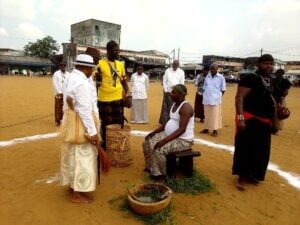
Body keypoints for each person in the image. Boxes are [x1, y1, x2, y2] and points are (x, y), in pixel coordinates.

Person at [60, 54, 100, 203]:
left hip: (70, 122)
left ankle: (72, 187)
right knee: (82, 159)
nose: (92, 72)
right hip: (81, 124)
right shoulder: (82, 83)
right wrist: (93, 132)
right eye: (91, 69)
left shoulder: (70, 77)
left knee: (72, 156)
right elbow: (84, 110)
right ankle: (77, 193)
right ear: (86, 68)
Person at [232, 54, 276, 191]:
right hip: (249, 119)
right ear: (259, 64)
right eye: (266, 63)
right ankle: (242, 177)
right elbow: (239, 98)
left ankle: (254, 175)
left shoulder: (270, 81)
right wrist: (240, 119)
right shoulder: (250, 78)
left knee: (262, 150)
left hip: (265, 122)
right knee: (246, 148)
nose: (269, 66)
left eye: (271, 64)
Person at [143, 84, 194, 181]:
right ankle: (151, 168)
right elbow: (167, 122)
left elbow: (182, 129)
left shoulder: (186, 108)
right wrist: (154, 132)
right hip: (171, 135)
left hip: (183, 140)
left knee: (159, 148)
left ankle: (162, 175)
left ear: (180, 94)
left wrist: (164, 141)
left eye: (173, 92)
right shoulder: (174, 104)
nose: (170, 94)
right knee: (147, 141)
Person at [96, 40, 129, 149]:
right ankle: (104, 147)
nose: (118, 52)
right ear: (108, 50)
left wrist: (127, 93)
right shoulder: (100, 64)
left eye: (118, 50)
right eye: (115, 50)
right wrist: (98, 80)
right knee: (105, 125)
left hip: (118, 99)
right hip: (104, 99)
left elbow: (123, 80)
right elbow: (95, 82)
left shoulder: (120, 64)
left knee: (118, 123)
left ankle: (116, 146)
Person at [200, 63, 226, 136]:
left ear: (217, 69)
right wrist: (201, 92)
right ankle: (206, 128)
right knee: (207, 114)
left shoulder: (221, 77)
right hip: (206, 99)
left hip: (215, 100)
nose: (211, 70)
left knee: (215, 115)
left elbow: (223, 89)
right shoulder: (207, 77)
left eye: (213, 68)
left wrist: (218, 96)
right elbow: (204, 86)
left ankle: (215, 130)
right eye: (211, 68)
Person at [159, 60, 185, 125]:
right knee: (166, 107)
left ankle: (173, 122)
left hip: (177, 92)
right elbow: (164, 81)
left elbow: (182, 83)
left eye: (176, 65)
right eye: (173, 64)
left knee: (175, 106)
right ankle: (165, 121)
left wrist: (178, 91)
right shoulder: (168, 71)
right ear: (172, 64)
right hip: (167, 91)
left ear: (178, 65)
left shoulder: (181, 72)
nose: (174, 66)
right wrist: (165, 90)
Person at [271, 68, 292, 134]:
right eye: (278, 73)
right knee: (271, 112)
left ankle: (276, 129)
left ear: (282, 74)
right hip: (272, 98)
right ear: (276, 74)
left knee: (280, 114)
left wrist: (282, 98)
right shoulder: (273, 80)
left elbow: (286, 91)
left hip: (281, 98)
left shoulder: (285, 81)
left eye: (280, 73)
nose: (279, 74)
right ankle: (271, 127)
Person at [52, 62, 70, 126]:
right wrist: (59, 92)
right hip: (58, 93)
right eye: (61, 65)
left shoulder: (68, 74)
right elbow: (55, 83)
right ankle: (58, 120)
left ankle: (64, 119)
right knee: (58, 107)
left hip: (66, 93)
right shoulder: (56, 74)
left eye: (64, 65)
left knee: (65, 106)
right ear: (59, 66)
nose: (63, 66)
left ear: (66, 66)